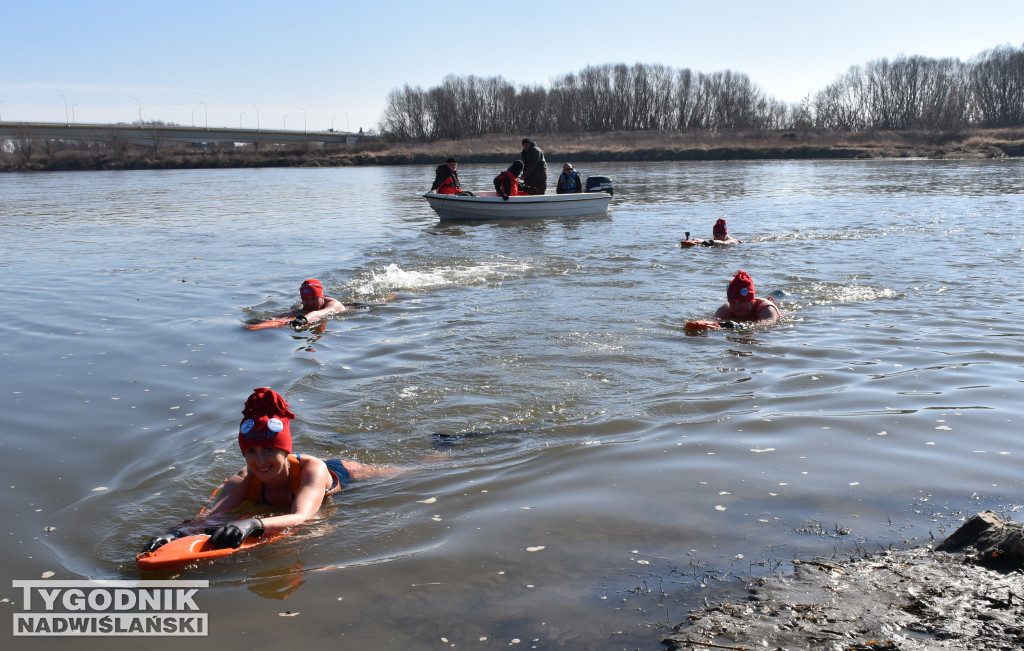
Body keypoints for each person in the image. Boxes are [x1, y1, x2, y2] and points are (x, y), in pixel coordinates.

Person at [141, 387, 397, 552]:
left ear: (285, 451)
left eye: (269, 450)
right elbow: (211, 518)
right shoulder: (241, 480)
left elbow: (302, 516)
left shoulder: (313, 469)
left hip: (341, 475)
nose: (260, 461)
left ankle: (436, 451)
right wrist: (176, 534)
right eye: (251, 452)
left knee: (407, 471)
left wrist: (253, 524)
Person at [714, 270, 780, 324]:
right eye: (733, 302)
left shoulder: (767, 309)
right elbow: (712, 322)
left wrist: (739, 327)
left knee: (779, 295)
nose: (737, 307)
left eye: (741, 301)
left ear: (751, 300)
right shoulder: (725, 309)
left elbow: (766, 325)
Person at [284, 279, 348, 328]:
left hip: (348, 307)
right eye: (306, 299)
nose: (310, 303)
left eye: (314, 298)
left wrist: (303, 320)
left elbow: (318, 314)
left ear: (321, 297)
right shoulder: (299, 306)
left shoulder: (334, 305)